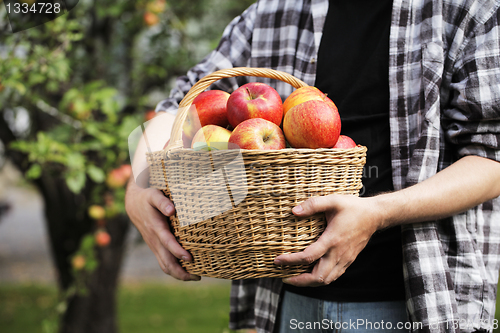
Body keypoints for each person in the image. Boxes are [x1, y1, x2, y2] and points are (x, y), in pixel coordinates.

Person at [125, 0, 500, 332]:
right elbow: (181, 105)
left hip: (416, 300)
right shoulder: (275, 10)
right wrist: (137, 188)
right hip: (284, 298)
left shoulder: (466, 8)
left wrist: (378, 211)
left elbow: (491, 158)